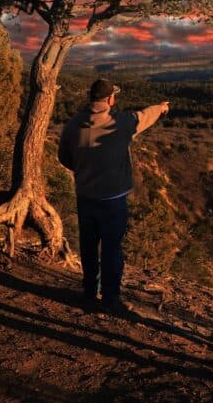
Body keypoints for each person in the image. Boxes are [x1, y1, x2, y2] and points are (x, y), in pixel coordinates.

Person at [58, 79, 169, 315]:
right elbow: (144, 116)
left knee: (88, 247)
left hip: (85, 196)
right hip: (113, 200)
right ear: (110, 99)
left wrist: (84, 168)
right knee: (111, 249)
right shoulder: (121, 123)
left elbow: (64, 158)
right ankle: (110, 299)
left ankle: (89, 293)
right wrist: (161, 108)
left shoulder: (74, 124)